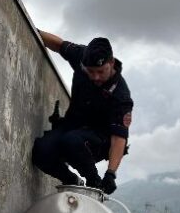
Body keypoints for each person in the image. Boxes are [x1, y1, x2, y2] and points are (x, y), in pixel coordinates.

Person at [32, 31, 133, 194]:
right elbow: (58, 45)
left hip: (99, 140)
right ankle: (71, 180)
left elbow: (119, 138)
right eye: (90, 71)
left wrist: (111, 174)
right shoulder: (81, 55)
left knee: (72, 140)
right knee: (41, 151)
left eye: (101, 71)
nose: (95, 77)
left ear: (111, 63)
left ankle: (95, 183)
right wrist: (33, 29)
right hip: (72, 126)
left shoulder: (120, 96)